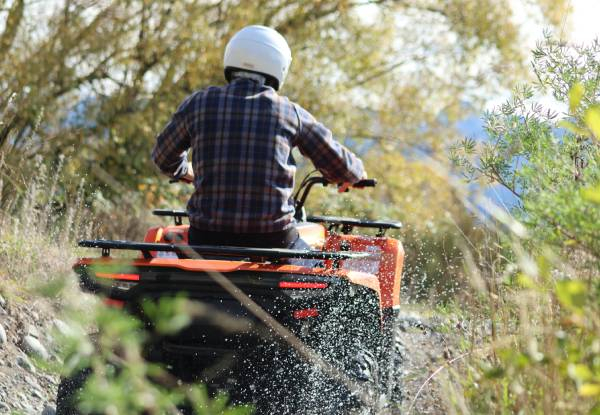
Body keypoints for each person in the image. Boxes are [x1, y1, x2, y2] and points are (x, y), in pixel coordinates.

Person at [152, 25, 366, 249]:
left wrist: (187, 172)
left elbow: (162, 157)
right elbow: (337, 163)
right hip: (273, 240)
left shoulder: (198, 104)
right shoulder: (289, 112)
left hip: (205, 239)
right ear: (279, 66)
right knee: (321, 269)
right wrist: (355, 175)